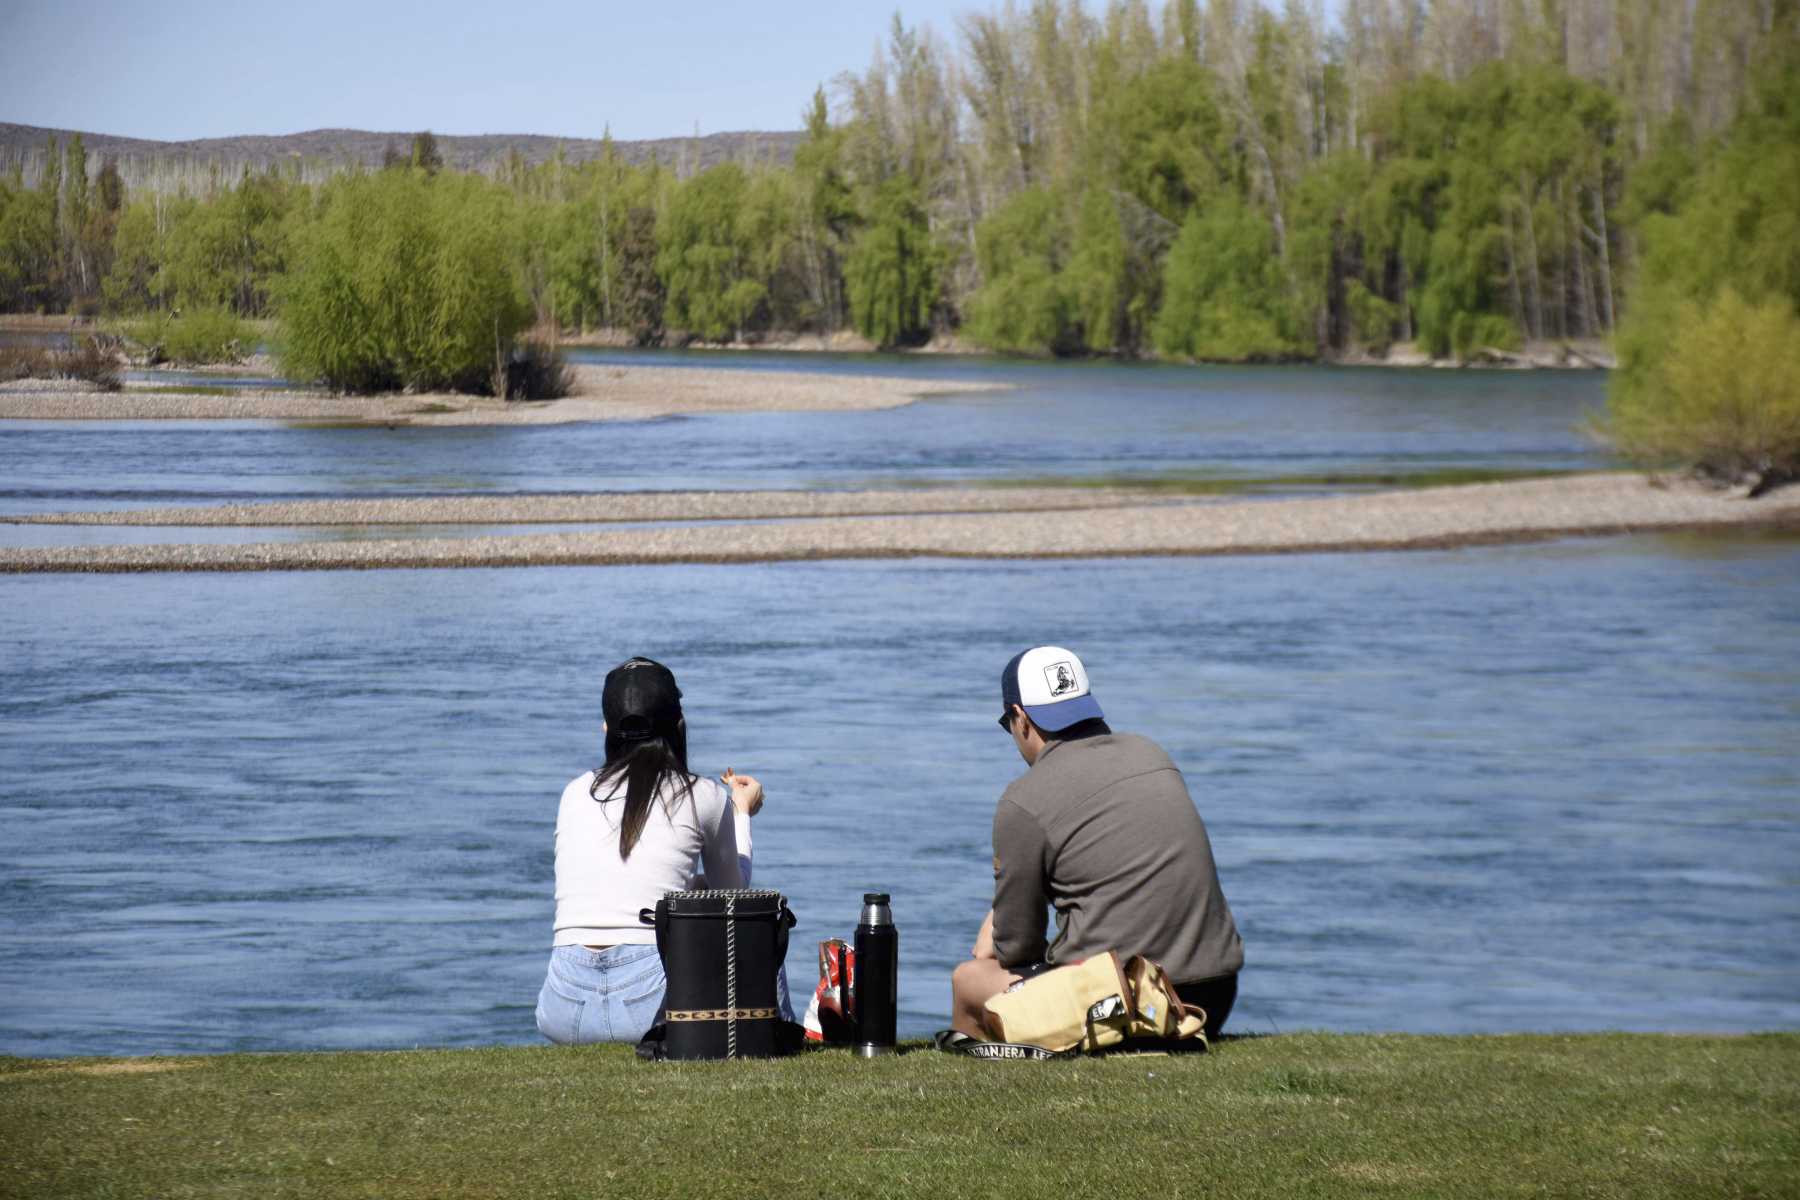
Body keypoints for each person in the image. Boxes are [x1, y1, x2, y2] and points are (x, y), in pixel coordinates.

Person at [950, 646, 1243, 1042]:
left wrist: (997, 925)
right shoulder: (1150, 753)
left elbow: (1017, 949)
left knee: (970, 980)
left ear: (1020, 718)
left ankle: (985, 1085)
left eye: (1007, 723)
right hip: (1213, 995)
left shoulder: (1024, 799)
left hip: (1126, 1003)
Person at [535, 656, 784, 1044]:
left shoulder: (574, 793)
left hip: (564, 1008)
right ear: (679, 726)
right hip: (649, 1006)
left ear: (606, 727)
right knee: (759, 920)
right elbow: (734, 897)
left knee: (697, 894)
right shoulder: (702, 795)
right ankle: (776, 1033)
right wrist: (741, 811)